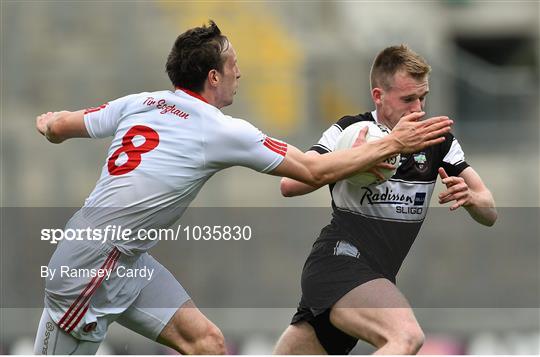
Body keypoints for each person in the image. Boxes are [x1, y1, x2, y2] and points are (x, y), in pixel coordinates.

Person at [33, 22, 452, 354]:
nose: (240, 72)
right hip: (89, 266)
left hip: (126, 261)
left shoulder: (139, 102)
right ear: (213, 76)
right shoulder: (219, 129)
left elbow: (61, 124)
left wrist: (48, 125)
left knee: (207, 345)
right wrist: (395, 143)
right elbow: (311, 171)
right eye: (234, 65)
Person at [273, 44, 497, 355]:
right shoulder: (351, 131)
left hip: (371, 281)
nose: (418, 109)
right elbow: (290, 184)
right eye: (408, 99)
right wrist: (357, 158)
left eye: (423, 97)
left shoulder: (438, 141)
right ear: (378, 96)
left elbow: (490, 211)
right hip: (339, 262)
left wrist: (473, 198)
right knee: (405, 337)